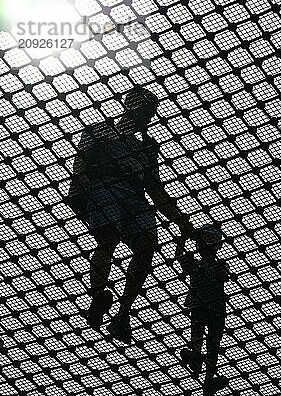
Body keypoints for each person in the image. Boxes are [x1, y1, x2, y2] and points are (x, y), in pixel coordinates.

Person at [67, 87, 193, 343]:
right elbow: (80, 162)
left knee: (147, 246)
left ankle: (122, 316)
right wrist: (83, 190)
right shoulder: (100, 129)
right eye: (145, 109)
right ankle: (98, 295)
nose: (148, 117)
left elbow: (155, 188)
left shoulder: (147, 146)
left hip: (134, 196)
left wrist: (181, 220)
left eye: (151, 112)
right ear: (130, 106)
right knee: (109, 238)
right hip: (104, 187)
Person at [176, 224, 229, 394]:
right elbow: (178, 256)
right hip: (202, 306)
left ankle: (208, 378)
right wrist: (183, 238)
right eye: (202, 241)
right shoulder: (194, 263)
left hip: (216, 309)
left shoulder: (219, 264)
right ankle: (196, 357)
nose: (205, 246)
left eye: (210, 241)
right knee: (198, 333)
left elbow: (224, 275)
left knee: (213, 343)